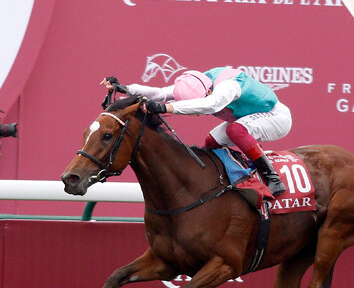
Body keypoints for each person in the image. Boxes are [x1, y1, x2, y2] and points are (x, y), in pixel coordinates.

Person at [103, 67, 292, 197]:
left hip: (276, 117)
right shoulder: (198, 82)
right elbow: (160, 93)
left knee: (235, 130)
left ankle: (272, 178)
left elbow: (209, 104)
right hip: (250, 117)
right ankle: (230, 182)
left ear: (209, 91)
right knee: (211, 142)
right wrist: (125, 88)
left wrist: (165, 108)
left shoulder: (228, 86)